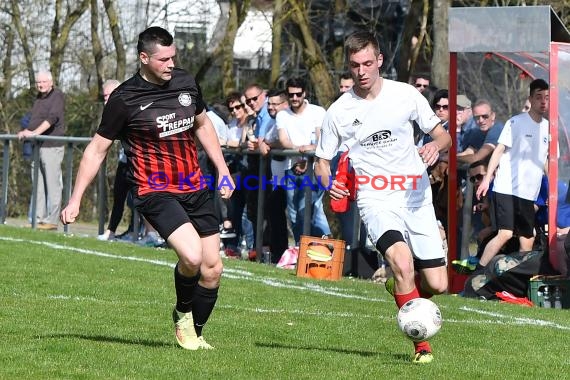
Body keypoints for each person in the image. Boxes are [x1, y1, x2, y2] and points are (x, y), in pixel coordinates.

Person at [60, 26, 234, 350]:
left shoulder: (185, 82)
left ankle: (194, 330)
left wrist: (223, 169)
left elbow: (203, 124)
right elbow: (97, 150)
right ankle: (183, 312)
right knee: (193, 256)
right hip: (154, 189)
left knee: (213, 269)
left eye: (174, 57)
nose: (171, 64)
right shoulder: (124, 98)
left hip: (193, 185)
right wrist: (75, 199)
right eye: (163, 58)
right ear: (144, 58)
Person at [314, 31, 451, 364]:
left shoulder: (405, 95)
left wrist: (435, 145)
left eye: (366, 63)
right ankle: (421, 348)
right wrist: (328, 183)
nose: (361, 71)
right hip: (375, 199)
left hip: (416, 196)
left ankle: (400, 288)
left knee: (438, 283)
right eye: (354, 65)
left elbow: (443, 135)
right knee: (402, 264)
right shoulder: (339, 111)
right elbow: (321, 162)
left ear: (379, 61)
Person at [475, 79, 549, 275]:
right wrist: (487, 178)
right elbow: (498, 151)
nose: (543, 102)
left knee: (528, 238)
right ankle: (476, 274)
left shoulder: (549, 128)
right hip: (506, 188)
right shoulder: (516, 122)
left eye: (547, 98)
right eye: (539, 97)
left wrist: (551, 189)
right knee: (505, 234)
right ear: (530, 99)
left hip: (528, 193)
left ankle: (521, 280)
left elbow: (547, 161)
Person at [277, 77, 331, 244]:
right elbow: (283, 140)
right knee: (293, 214)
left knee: (309, 208)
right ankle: (302, 248)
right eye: (291, 94)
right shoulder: (282, 114)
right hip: (291, 169)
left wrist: (308, 155)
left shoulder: (317, 111)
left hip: (314, 168)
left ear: (304, 93)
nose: (294, 98)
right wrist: (300, 151)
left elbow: (320, 140)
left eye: (298, 94)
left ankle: (326, 245)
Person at [18, 70, 65, 231]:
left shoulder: (57, 95)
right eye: (38, 82)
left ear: (51, 82)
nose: (41, 84)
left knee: (52, 185)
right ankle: (37, 219)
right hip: (36, 147)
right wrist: (25, 130)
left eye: (44, 82)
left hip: (52, 146)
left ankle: (52, 221)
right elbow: (32, 119)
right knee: (37, 185)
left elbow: (52, 118)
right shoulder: (39, 98)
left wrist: (34, 133)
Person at [98, 79, 126, 241]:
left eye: (110, 95)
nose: (107, 99)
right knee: (119, 197)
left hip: (142, 163)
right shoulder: (110, 111)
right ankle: (111, 231)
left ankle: (150, 234)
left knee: (145, 200)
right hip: (125, 161)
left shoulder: (129, 106)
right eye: (105, 96)